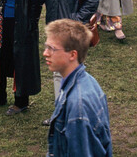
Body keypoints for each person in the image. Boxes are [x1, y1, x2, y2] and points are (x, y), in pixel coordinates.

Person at [31, 0, 99, 119]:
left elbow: (92, 0)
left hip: (73, 33)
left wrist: (75, 21)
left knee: (74, 71)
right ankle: (60, 112)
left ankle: (75, 111)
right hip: (54, 31)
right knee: (56, 72)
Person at [43, 18, 112, 157]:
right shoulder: (87, 81)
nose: (45, 53)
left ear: (72, 55)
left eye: (52, 48)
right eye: (46, 47)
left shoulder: (78, 107)